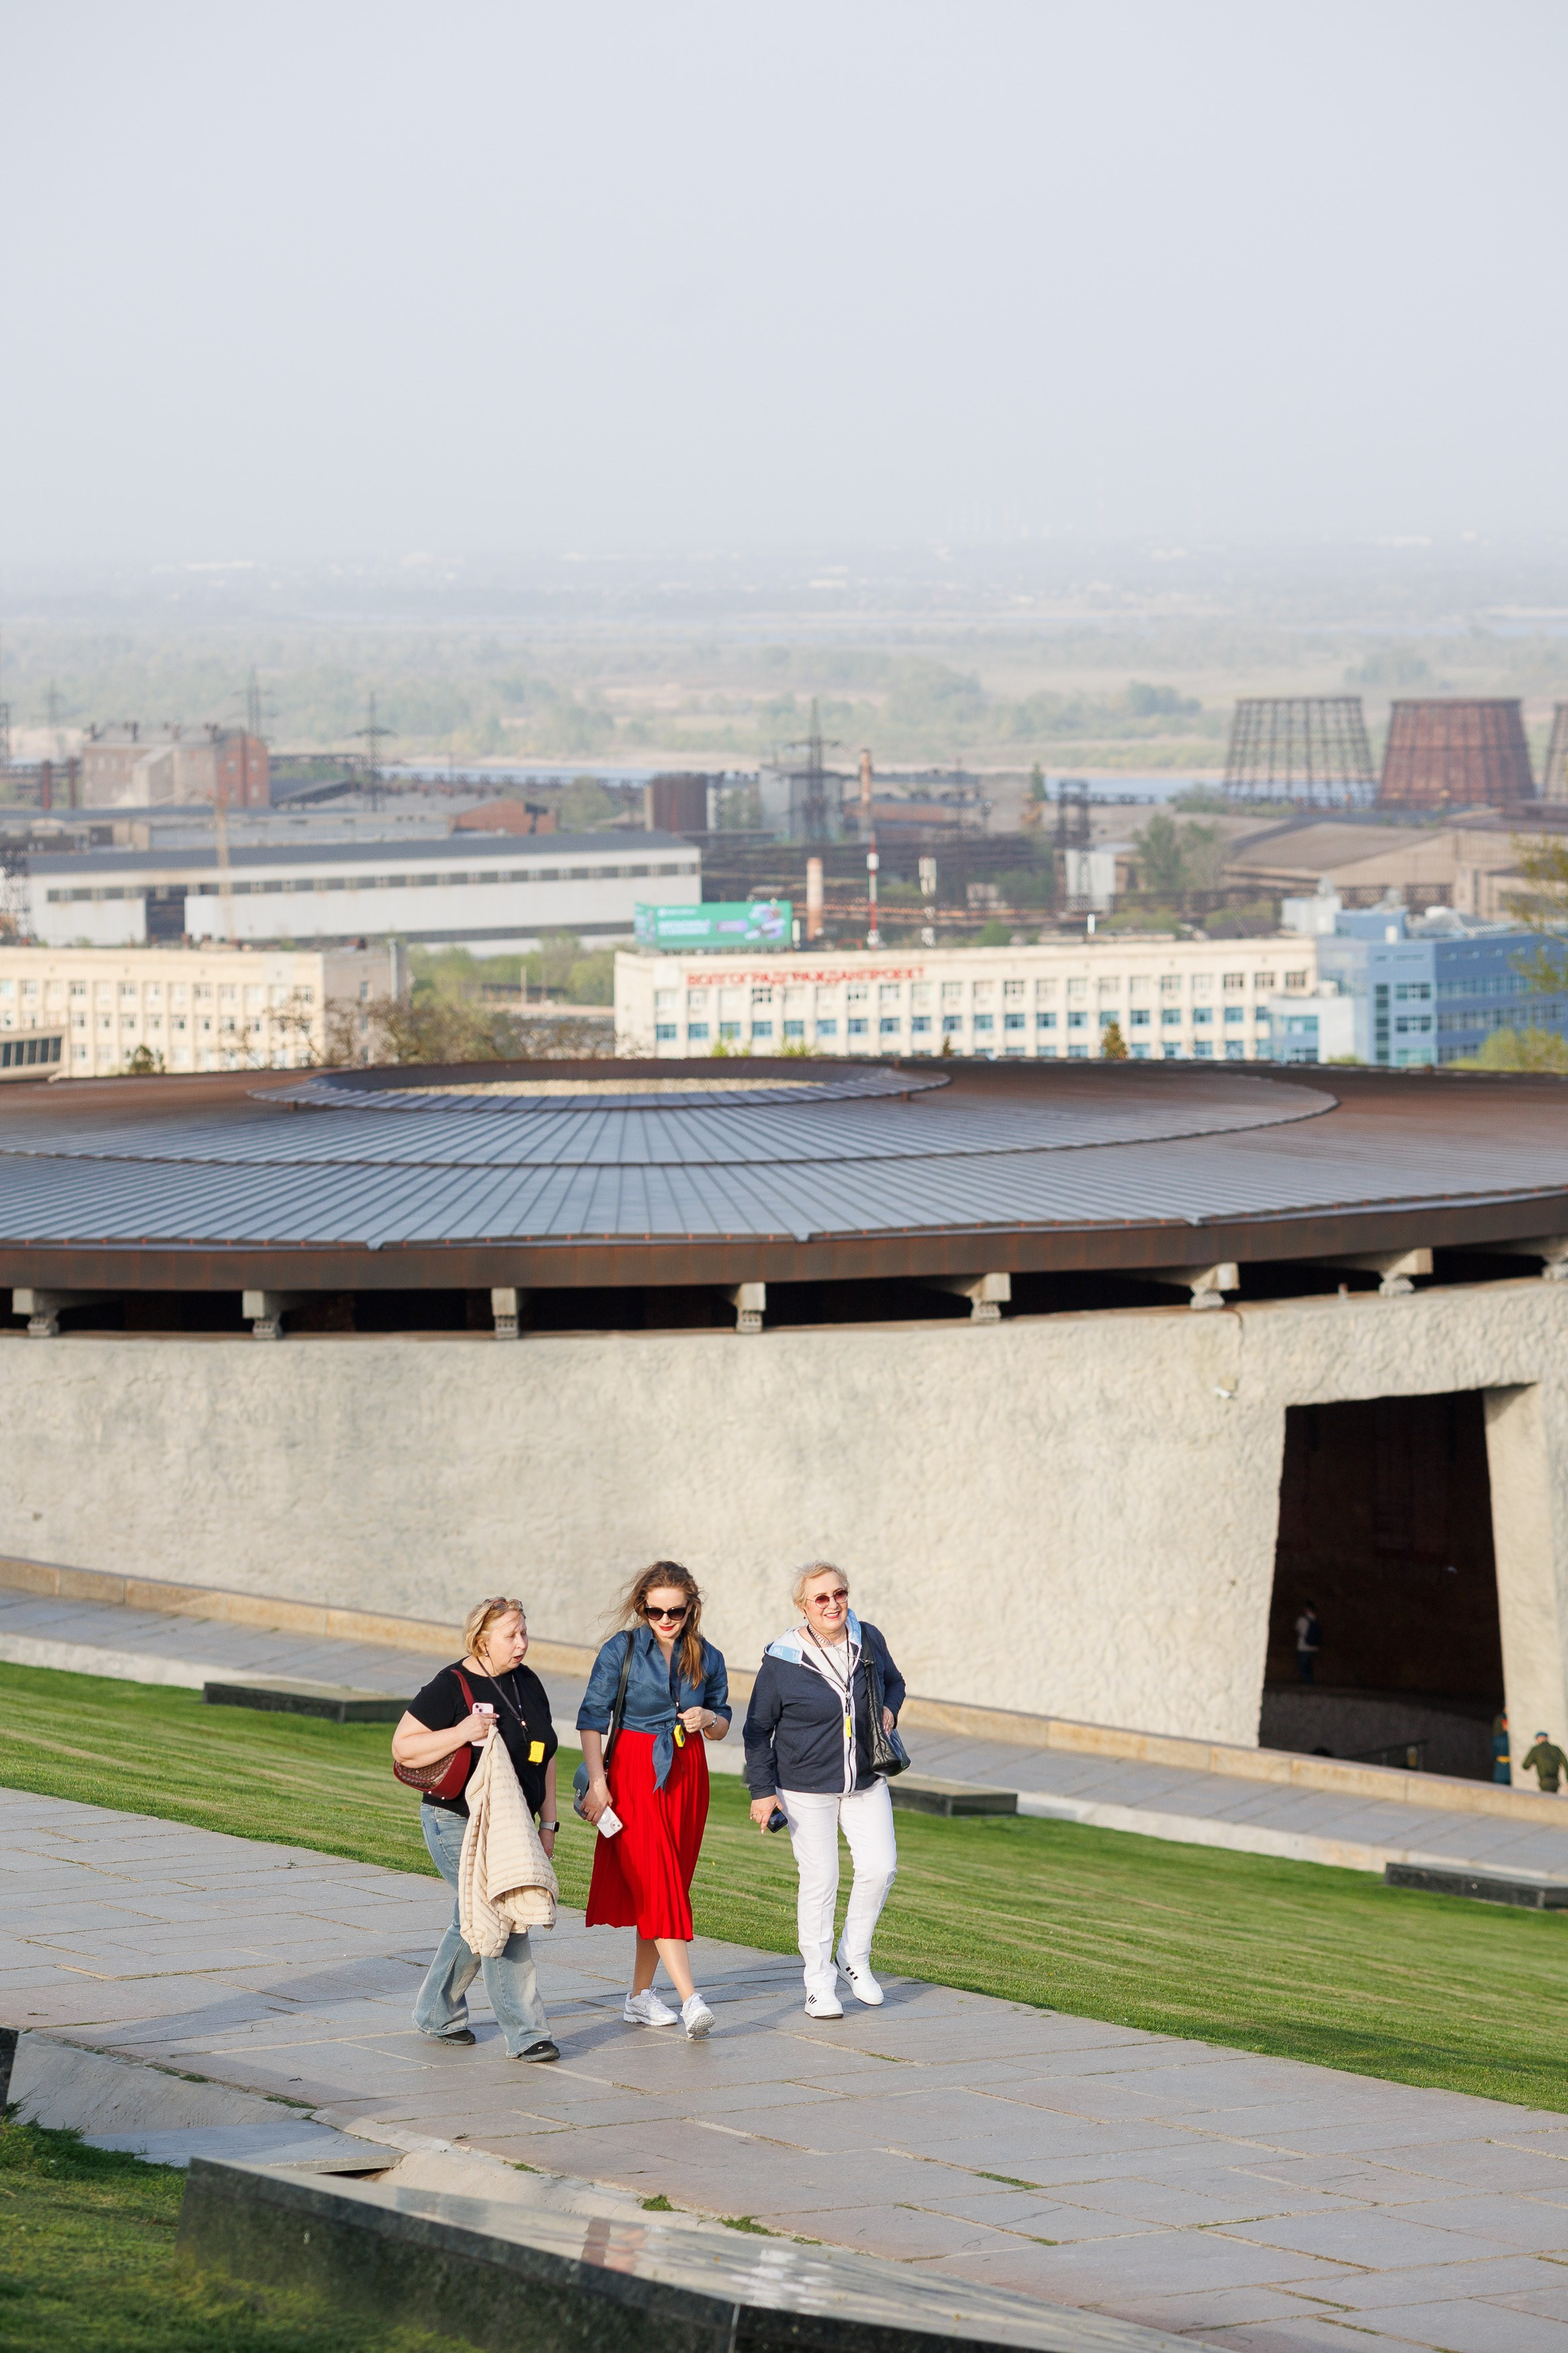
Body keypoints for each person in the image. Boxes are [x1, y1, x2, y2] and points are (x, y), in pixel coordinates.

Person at [391, 1596, 561, 2063]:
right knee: (504, 1912)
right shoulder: (451, 1685)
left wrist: (548, 1824)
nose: (522, 1643)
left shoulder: (528, 1682)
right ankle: (527, 2034)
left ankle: (435, 2012)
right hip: (454, 1822)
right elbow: (403, 1747)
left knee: (471, 1920)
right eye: (512, 1635)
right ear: (482, 1640)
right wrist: (463, 1730)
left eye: (525, 1632)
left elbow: (545, 1756)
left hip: (511, 1826)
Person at [743, 1562, 906, 2020]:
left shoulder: (866, 1637)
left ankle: (853, 1957)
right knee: (821, 1881)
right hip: (803, 1786)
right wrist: (762, 1791)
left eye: (840, 1594)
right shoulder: (782, 1659)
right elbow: (757, 1730)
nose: (833, 1604)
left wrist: (889, 1710)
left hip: (865, 1779)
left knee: (880, 1867)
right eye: (821, 1598)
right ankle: (818, 1983)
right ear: (803, 1607)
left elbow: (894, 1681)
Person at [577, 1562, 731, 2040]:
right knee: (658, 1880)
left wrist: (706, 1717)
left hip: (687, 1777)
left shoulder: (707, 1656)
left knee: (664, 1886)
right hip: (631, 1772)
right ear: (641, 1607)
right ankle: (691, 1999)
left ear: (691, 1609)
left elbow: (725, 1725)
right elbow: (590, 1719)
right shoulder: (621, 1649)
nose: (665, 1619)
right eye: (655, 1610)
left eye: (676, 1611)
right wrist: (599, 1784)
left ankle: (639, 1997)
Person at [1522, 1729, 1567, 1794]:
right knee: (1554, 1800)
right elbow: (1566, 1764)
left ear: (1538, 1739)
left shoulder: (1536, 1750)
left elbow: (1525, 1766)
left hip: (1544, 1782)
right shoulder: (1556, 1749)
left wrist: (1535, 1761)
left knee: (1547, 1800)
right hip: (1555, 1782)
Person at [1294, 1603, 1322, 1685]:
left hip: (1303, 1647)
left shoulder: (1302, 1619)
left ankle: (1309, 1682)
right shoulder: (1316, 1619)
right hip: (1314, 1647)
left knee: (1301, 1667)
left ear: (1307, 1609)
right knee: (1309, 1667)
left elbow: (1298, 1631)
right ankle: (1310, 1682)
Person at [1492, 1710, 1511, 1786]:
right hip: (1502, 1765)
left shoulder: (1498, 1739)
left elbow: (1494, 1754)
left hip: (1502, 1766)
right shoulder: (1499, 1738)